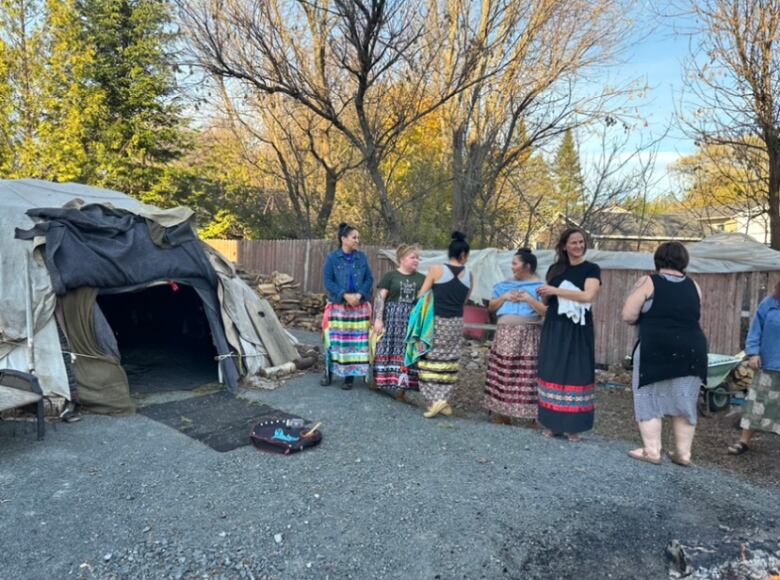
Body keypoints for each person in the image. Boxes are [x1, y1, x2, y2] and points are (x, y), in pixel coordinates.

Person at [621, 241, 708, 466]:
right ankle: (683, 454)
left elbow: (628, 315)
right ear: (683, 261)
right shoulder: (694, 285)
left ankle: (652, 451)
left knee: (648, 397)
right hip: (692, 348)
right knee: (685, 400)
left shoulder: (649, 282)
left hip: (656, 347)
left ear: (658, 259)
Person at [536, 228, 601, 442]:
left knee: (576, 371)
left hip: (577, 329)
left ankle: (574, 427)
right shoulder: (555, 270)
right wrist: (544, 294)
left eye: (581, 242)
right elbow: (548, 302)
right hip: (555, 324)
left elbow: (588, 295)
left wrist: (555, 290)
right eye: (573, 242)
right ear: (564, 246)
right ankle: (553, 424)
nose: (578, 246)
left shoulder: (591, 269)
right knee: (552, 370)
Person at [483, 248, 547, 424]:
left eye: (515, 263)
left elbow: (546, 312)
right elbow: (491, 307)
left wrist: (529, 299)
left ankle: (530, 416)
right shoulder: (503, 286)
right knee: (505, 370)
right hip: (505, 333)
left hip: (529, 334)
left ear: (527, 266)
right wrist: (504, 297)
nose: (512, 267)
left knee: (527, 372)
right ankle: (502, 413)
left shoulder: (541, 288)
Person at [415, 231, 474, 418]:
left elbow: (421, 295)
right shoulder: (470, 275)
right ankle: (444, 399)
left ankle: (434, 400)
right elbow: (464, 300)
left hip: (436, 320)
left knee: (429, 357)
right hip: (456, 322)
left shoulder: (436, 270)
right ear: (463, 255)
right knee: (449, 359)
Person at [728, 280, 780, 454]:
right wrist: (753, 353)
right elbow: (755, 330)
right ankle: (743, 442)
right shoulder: (770, 303)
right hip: (769, 364)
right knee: (758, 405)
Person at [321, 223, 374, 389]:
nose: (357, 240)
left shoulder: (362, 257)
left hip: (358, 307)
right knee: (334, 341)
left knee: (354, 343)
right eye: (354, 237)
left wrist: (359, 295)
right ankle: (329, 372)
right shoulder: (332, 258)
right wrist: (344, 294)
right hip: (339, 307)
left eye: (358, 237)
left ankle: (349, 377)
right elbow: (328, 281)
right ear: (343, 239)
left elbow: (369, 279)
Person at [372, 244, 426, 398]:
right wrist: (378, 319)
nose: (416, 260)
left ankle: (401, 390)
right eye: (412, 257)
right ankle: (378, 381)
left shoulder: (422, 279)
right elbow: (380, 297)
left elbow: (425, 303)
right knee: (384, 348)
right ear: (402, 259)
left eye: (417, 258)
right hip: (391, 320)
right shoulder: (390, 276)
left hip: (411, 323)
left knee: (406, 353)